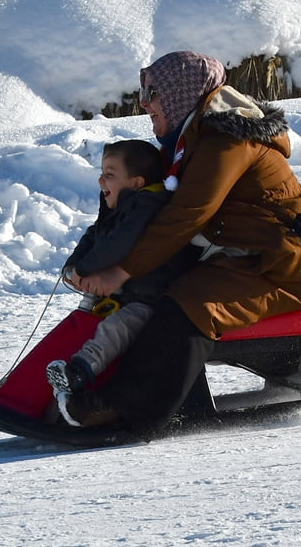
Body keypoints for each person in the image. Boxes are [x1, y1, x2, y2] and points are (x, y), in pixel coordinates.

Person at [61, 50, 301, 436]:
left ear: (181, 93)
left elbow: (188, 213)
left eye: (153, 91)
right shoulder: (190, 138)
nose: (145, 102)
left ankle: (131, 410)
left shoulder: (225, 138)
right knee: (151, 295)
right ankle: (97, 386)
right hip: (240, 261)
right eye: (143, 91)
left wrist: (122, 269)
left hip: (281, 269)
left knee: (184, 308)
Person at [47, 139, 199, 426]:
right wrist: (74, 266)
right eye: (102, 172)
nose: (101, 180)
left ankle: (79, 372)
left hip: (153, 298)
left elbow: (120, 243)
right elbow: (95, 235)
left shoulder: (146, 206)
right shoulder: (119, 207)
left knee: (117, 327)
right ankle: (32, 387)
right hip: (129, 293)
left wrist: (86, 268)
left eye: (110, 174)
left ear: (137, 182)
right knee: (87, 321)